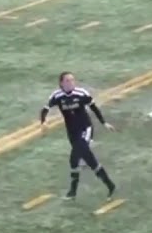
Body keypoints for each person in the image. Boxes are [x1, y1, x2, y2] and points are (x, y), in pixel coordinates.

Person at [41, 71, 116, 200]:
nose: (71, 83)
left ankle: (73, 191)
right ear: (61, 83)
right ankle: (109, 185)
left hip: (85, 129)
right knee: (82, 159)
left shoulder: (81, 93)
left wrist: (104, 123)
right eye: (68, 81)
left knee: (76, 157)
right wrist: (43, 122)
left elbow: (94, 108)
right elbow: (45, 109)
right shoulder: (57, 96)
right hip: (71, 132)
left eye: (72, 80)